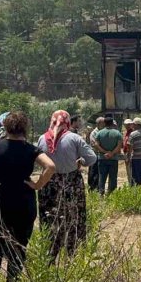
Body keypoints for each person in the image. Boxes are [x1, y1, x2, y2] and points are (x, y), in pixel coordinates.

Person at [0, 112, 56, 280]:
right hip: (24, 200)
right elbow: (50, 166)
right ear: (25, 128)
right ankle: (13, 280)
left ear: (5, 127)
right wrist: (37, 184)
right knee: (20, 241)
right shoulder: (31, 149)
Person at [36, 110, 97, 258]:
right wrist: (80, 161)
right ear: (67, 122)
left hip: (48, 184)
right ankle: (72, 254)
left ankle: (50, 254)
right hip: (71, 184)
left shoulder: (42, 139)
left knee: (50, 220)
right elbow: (92, 158)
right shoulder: (74, 138)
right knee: (73, 219)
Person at [92, 117, 123, 195]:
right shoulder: (117, 133)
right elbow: (119, 146)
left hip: (102, 158)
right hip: (114, 159)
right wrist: (112, 153)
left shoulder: (99, 133)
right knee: (113, 178)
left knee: (102, 177)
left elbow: (96, 144)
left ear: (104, 123)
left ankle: (101, 194)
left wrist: (105, 152)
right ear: (112, 123)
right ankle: (111, 194)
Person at [86, 117, 105, 191]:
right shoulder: (94, 133)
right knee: (94, 173)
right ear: (99, 124)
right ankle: (93, 189)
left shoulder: (102, 131)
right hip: (95, 155)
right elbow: (94, 145)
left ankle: (98, 188)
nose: (104, 124)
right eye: (103, 122)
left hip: (100, 155)